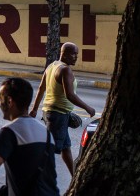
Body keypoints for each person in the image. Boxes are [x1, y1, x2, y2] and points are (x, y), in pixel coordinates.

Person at [29, 42, 95, 175]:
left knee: (66, 148)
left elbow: (42, 88)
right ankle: (33, 179)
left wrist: (35, 109)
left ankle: (74, 176)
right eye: (73, 54)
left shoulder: (52, 66)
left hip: (52, 112)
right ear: (63, 54)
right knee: (50, 150)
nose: (76, 57)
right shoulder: (65, 70)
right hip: (57, 115)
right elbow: (70, 95)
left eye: (77, 54)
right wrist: (88, 108)